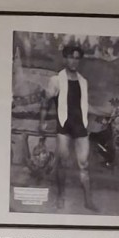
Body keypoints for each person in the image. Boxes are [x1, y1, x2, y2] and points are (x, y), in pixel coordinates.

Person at [47, 42, 97, 212]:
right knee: (62, 163)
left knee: (84, 164)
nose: (74, 61)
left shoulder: (84, 81)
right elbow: (46, 101)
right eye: (70, 57)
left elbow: (84, 105)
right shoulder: (56, 80)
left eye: (77, 58)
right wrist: (41, 121)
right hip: (64, 125)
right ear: (65, 59)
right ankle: (60, 199)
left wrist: (105, 112)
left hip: (80, 126)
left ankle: (88, 201)